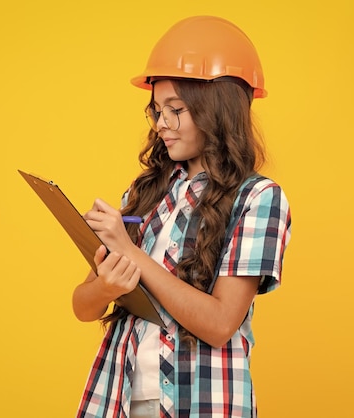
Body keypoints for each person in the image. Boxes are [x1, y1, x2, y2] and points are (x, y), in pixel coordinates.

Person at [72, 15, 292, 418]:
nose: (161, 125)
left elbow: (221, 322)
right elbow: (82, 306)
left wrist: (133, 256)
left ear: (217, 111)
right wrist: (106, 285)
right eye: (156, 110)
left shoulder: (258, 198)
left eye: (175, 110)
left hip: (203, 403)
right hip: (121, 401)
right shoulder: (145, 194)